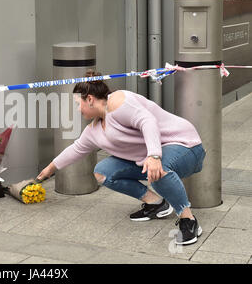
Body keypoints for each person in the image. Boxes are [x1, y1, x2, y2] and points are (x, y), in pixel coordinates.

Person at [36, 71, 207, 245]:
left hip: (185, 145)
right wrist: (49, 170)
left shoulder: (117, 102)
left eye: (77, 104)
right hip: (152, 156)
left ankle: (189, 221)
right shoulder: (94, 130)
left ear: (89, 99)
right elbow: (76, 149)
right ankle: (156, 203)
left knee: (156, 170)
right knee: (102, 172)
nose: (78, 109)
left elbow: (147, 121)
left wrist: (154, 155)